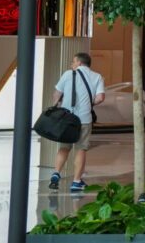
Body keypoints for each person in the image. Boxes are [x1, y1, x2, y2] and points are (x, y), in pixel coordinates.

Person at [48, 52, 105, 193]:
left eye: (73, 62)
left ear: (79, 63)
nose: (71, 65)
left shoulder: (68, 74)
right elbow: (100, 98)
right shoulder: (97, 77)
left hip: (67, 118)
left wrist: (56, 107)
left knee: (64, 147)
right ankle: (76, 182)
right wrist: (88, 103)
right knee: (81, 149)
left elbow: (56, 94)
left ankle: (56, 173)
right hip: (84, 119)